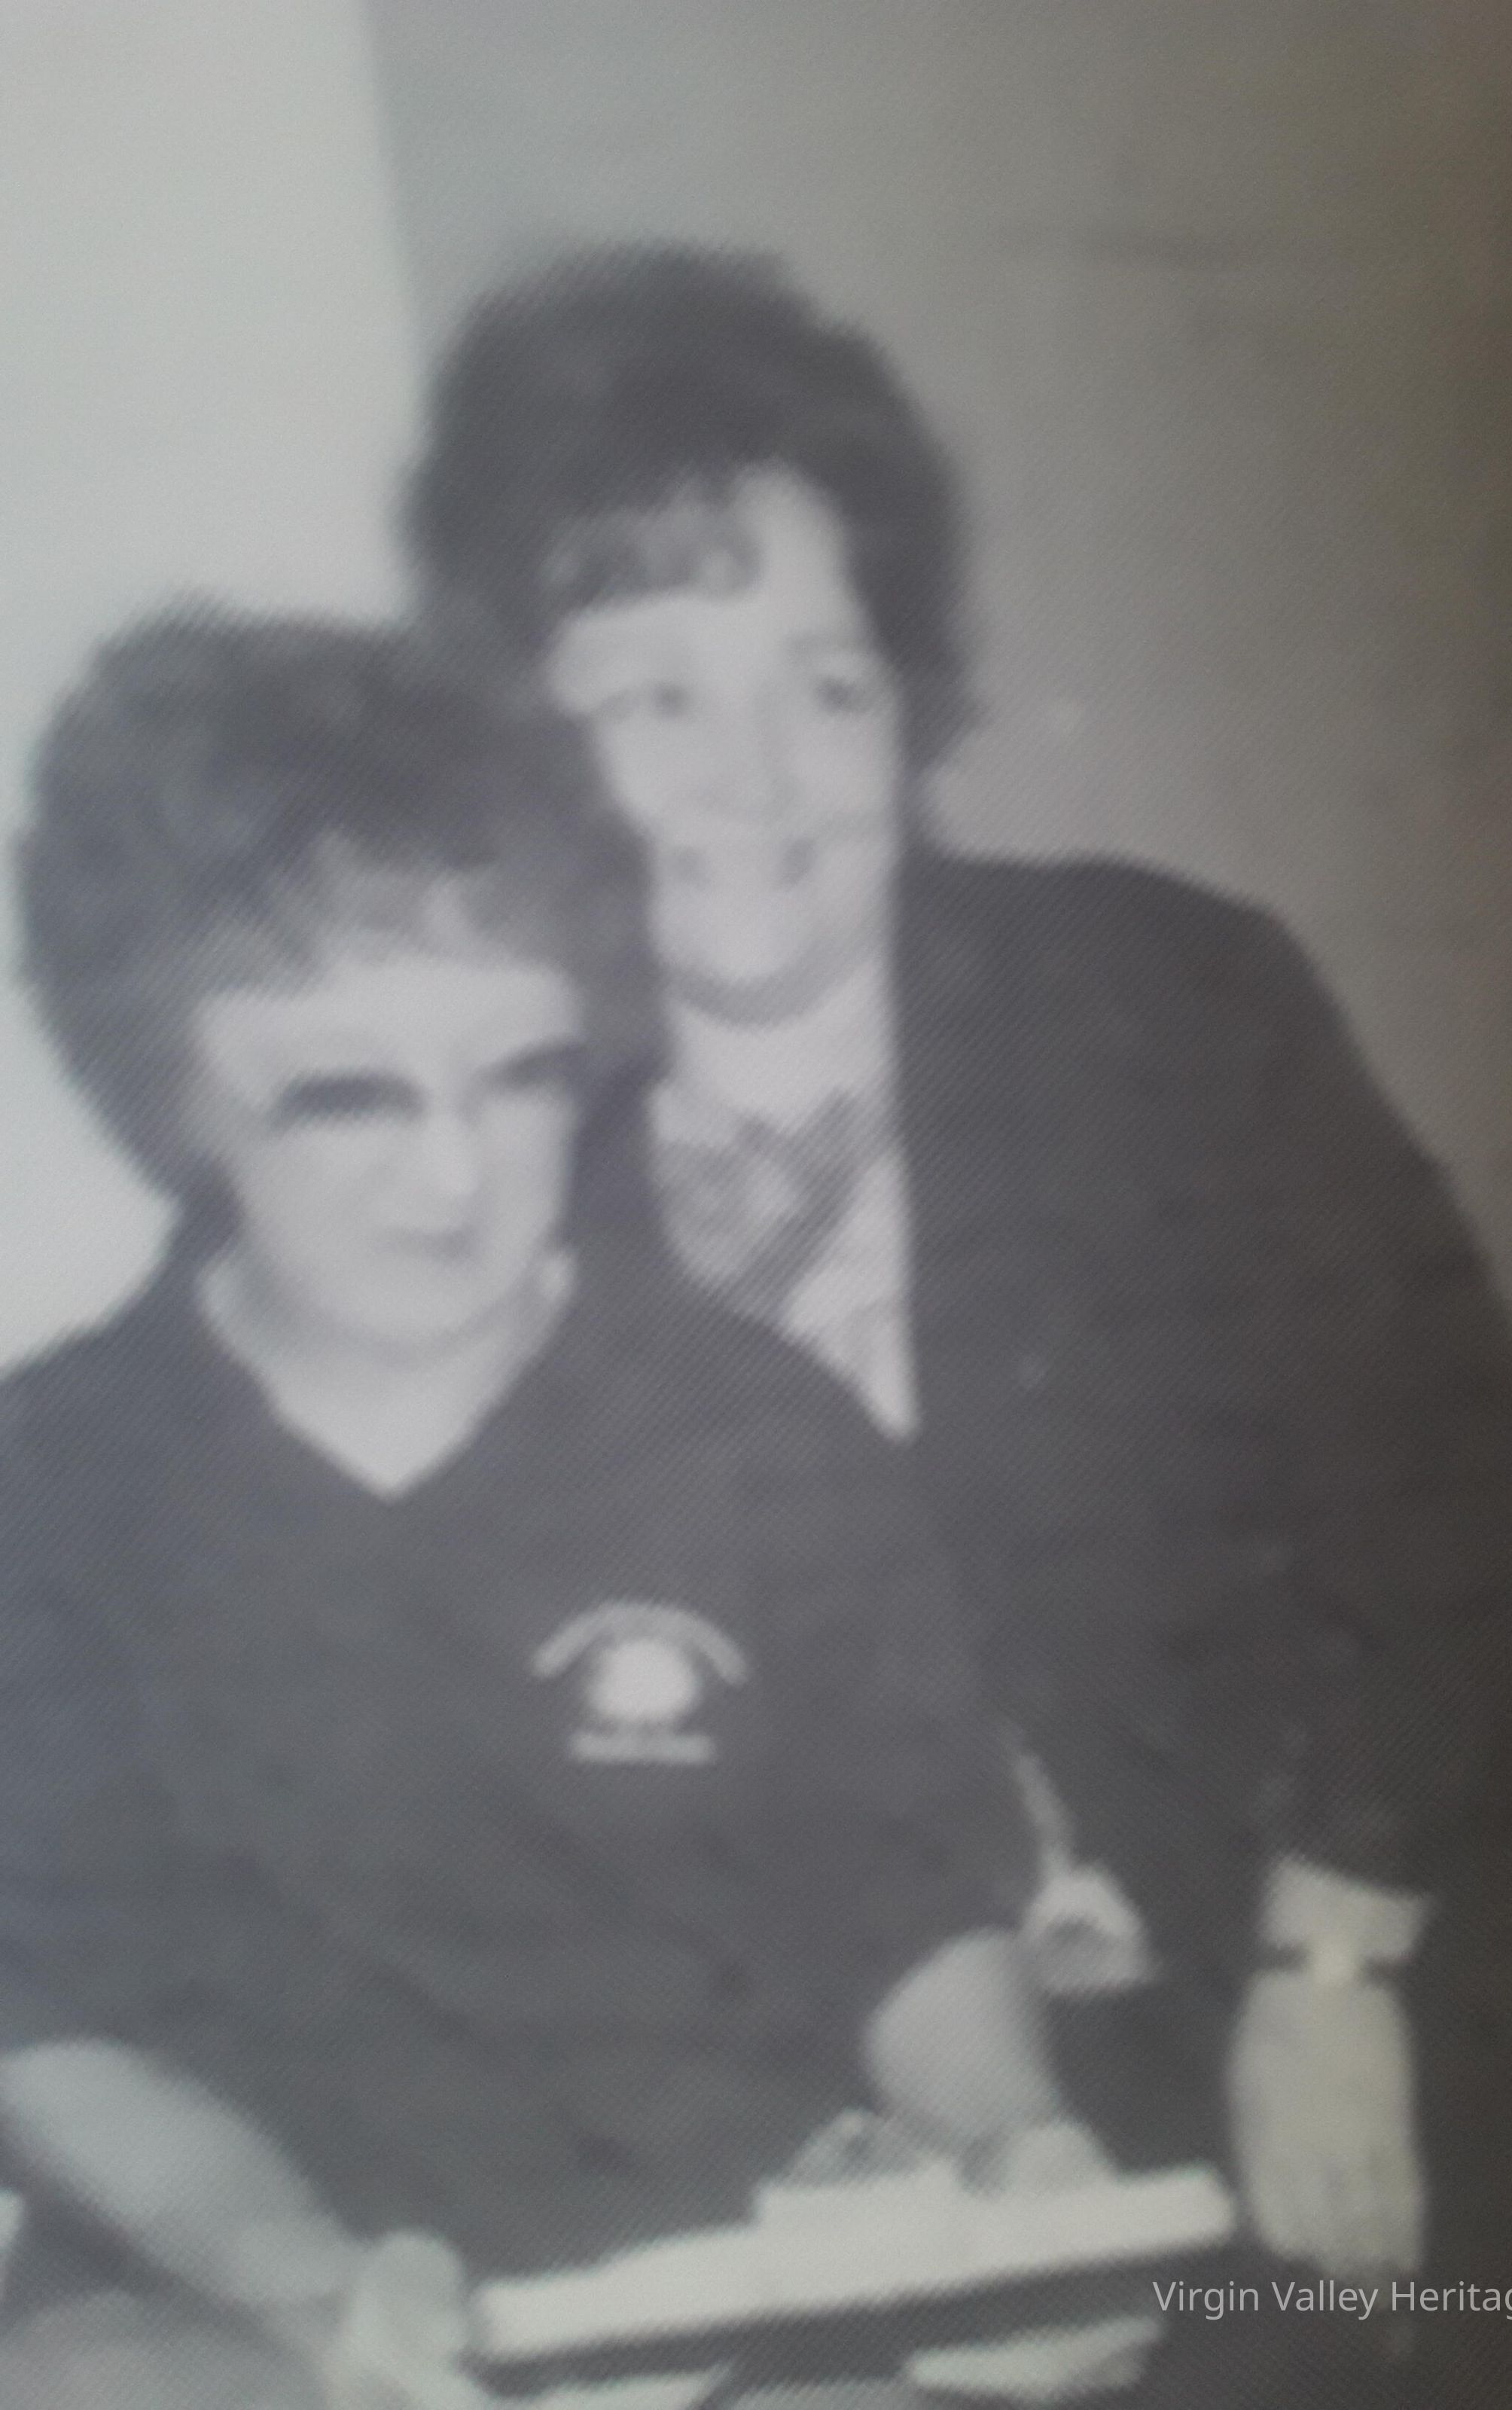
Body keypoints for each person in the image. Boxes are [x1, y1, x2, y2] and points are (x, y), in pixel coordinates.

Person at [406, 246, 1512, 2408]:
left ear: (909, 706)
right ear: (531, 743)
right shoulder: (490, 1149)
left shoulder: (1158, 1001)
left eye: (825, 685)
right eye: (656, 700)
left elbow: (1447, 1498)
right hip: (913, 2069)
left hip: (1350, 1947)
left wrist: (1332, 1968)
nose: (757, 778)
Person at [0, 613, 1106, 2410]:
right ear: (178, 1092)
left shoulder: (760, 1438)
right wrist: (305, 2289)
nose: (456, 1176)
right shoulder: (49, 1483)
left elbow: (906, 1902)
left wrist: (1017, 2163)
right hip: (228, 2301)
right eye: (346, 1096)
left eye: (517, 1076)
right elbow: (47, 2010)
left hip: (716, 2294)